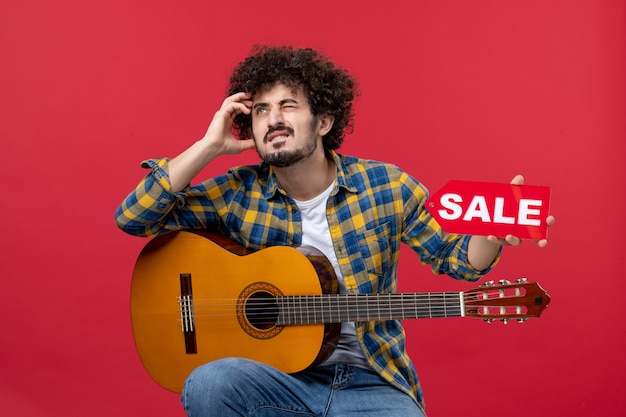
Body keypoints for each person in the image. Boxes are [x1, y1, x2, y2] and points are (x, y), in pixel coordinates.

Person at [116, 45, 554, 417]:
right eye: (261, 110)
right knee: (209, 382)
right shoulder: (236, 194)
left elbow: (456, 259)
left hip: (371, 384)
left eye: (288, 105)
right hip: (278, 382)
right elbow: (135, 217)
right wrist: (209, 146)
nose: (273, 120)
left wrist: (491, 235)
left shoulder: (385, 186)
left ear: (323, 122)